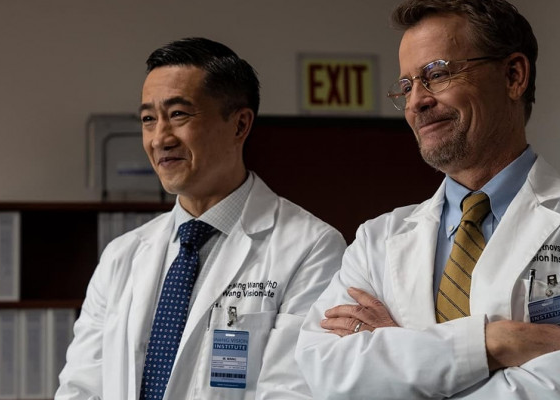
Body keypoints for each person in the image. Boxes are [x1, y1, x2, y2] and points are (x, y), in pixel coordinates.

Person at [295, 1, 560, 398]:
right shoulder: (375, 242)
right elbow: (326, 373)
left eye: (437, 74)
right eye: (407, 86)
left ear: (513, 76)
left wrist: (400, 356)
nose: (416, 102)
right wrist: (493, 343)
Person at [56, 37, 346, 400]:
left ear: (240, 125)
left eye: (178, 114)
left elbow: (292, 391)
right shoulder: (121, 256)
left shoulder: (311, 247)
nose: (160, 139)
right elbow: (80, 388)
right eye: (148, 119)